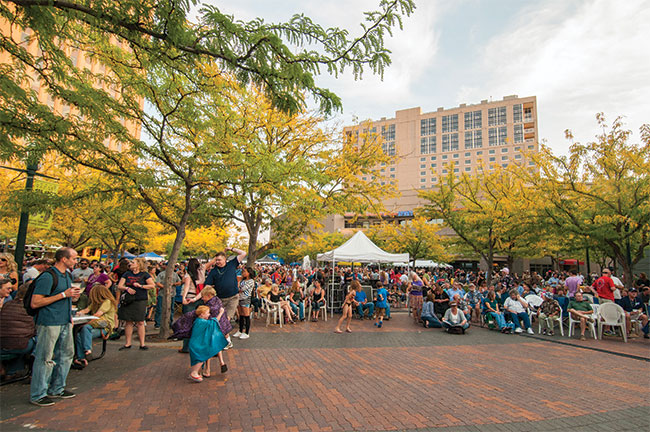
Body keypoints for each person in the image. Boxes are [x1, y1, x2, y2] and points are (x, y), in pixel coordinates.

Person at [29, 247, 80, 407]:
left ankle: (57, 387)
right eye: (74, 258)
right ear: (64, 259)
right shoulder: (48, 276)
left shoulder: (67, 275)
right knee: (45, 357)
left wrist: (71, 299)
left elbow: (65, 297)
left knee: (66, 354)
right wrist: (63, 295)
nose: (76, 261)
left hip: (64, 319)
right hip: (49, 321)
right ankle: (38, 393)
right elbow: (36, 302)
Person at [203, 248, 247, 348]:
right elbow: (207, 285)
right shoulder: (213, 272)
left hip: (233, 297)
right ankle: (227, 340)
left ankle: (225, 341)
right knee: (220, 321)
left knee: (226, 319)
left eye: (219, 260)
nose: (217, 262)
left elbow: (243, 253)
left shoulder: (232, 264)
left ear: (224, 259)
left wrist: (231, 249)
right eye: (216, 260)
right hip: (220, 299)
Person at [73, 283, 117, 368]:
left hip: (105, 325)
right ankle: (81, 357)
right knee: (79, 334)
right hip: (96, 325)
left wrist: (88, 321)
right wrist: (79, 312)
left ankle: (87, 349)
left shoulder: (107, 302)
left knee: (85, 327)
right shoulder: (95, 302)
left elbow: (98, 314)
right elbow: (86, 310)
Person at [117, 258, 154, 351]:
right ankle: (127, 343)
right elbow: (119, 286)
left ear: (139, 264)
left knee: (140, 322)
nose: (130, 264)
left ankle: (142, 344)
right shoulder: (127, 274)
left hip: (140, 299)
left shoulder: (145, 274)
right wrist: (127, 289)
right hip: (129, 300)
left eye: (133, 262)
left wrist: (141, 286)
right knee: (128, 321)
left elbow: (152, 285)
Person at [0, 284, 35, 379]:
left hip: (2, 343)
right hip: (22, 345)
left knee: (18, 339)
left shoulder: (7, 304)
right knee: (37, 340)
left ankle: (13, 371)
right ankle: (34, 371)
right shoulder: (31, 307)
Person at [188, 305, 228, 383]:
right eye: (207, 313)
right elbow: (214, 322)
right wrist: (221, 313)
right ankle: (194, 373)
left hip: (194, 344)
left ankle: (195, 372)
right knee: (201, 357)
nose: (209, 314)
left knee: (196, 360)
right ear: (202, 314)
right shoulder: (202, 322)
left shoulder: (197, 321)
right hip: (197, 346)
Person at [154, 264, 181, 329]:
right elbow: (157, 283)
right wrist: (165, 287)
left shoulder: (175, 274)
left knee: (171, 309)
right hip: (162, 294)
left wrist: (174, 284)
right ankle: (158, 323)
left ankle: (170, 323)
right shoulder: (161, 274)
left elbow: (179, 282)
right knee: (160, 309)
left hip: (172, 294)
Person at [233, 267, 256, 339]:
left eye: (244, 272)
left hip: (246, 298)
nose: (243, 273)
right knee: (241, 315)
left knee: (246, 315)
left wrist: (238, 284)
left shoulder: (251, 281)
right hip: (240, 298)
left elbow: (242, 289)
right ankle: (240, 330)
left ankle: (246, 332)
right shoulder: (243, 280)